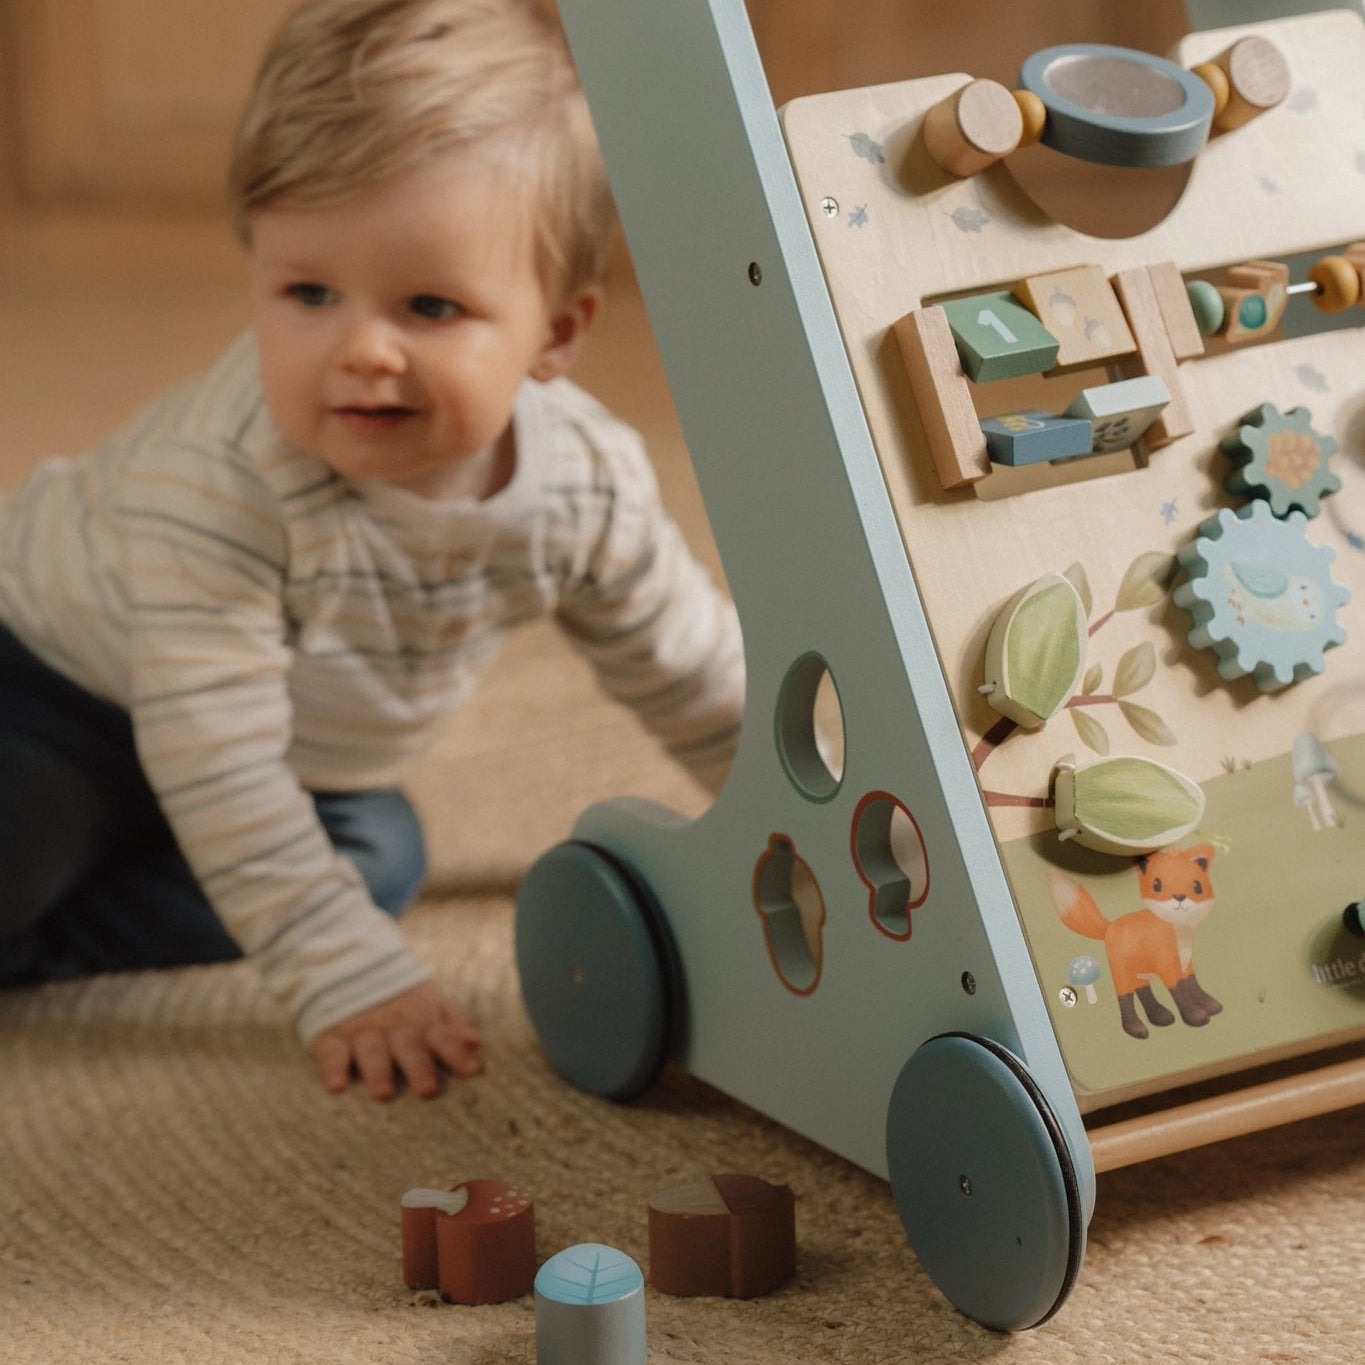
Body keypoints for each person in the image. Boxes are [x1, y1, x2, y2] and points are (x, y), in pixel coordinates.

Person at [0, 0, 744, 1101]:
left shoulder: (586, 487)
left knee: (381, 865)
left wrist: (795, 818)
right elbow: (217, 755)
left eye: (429, 305)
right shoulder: (225, 480)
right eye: (308, 292)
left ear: (557, 334)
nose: (360, 350)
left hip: (286, 750)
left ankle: (53, 937)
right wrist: (343, 979)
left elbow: (689, 669)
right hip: (54, 685)